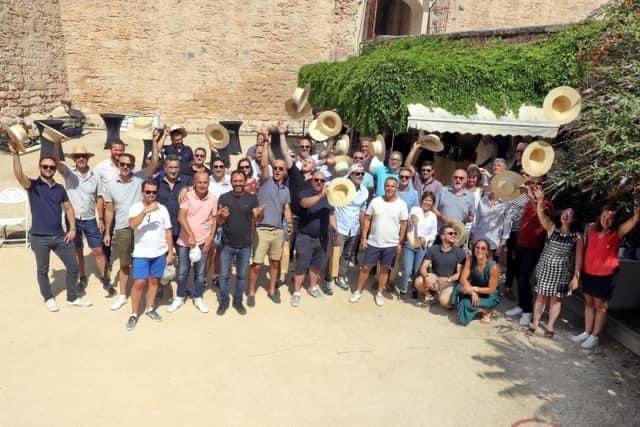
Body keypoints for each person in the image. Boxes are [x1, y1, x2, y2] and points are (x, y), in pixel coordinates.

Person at [10, 145, 91, 311]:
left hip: (59, 236)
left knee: (74, 266)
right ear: (40, 168)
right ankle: (48, 298)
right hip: (39, 237)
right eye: (45, 167)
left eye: (52, 167)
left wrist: (73, 228)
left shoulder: (60, 188)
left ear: (55, 169)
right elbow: (19, 175)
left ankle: (72, 297)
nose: (48, 169)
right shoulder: (33, 185)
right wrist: (16, 154)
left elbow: (68, 209)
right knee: (43, 270)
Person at [571, 203, 640, 349]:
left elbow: (635, 219)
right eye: (604, 216)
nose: (606, 220)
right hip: (588, 272)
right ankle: (587, 331)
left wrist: (636, 201)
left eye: (610, 218)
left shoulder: (618, 232)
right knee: (589, 303)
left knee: (600, 306)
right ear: (599, 216)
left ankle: (595, 336)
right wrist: (578, 272)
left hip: (606, 276)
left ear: (614, 220)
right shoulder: (590, 229)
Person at [52, 145, 111, 295]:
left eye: (83, 156)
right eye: (77, 156)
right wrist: (55, 143)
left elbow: (99, 198)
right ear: (73, 158)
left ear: (88, 158)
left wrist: (101, 218)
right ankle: (82, 277)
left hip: (90, 218)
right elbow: (56, 163)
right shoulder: (68, 173)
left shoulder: (95, 176)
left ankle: (105, 278)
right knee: (78, 250)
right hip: (73, 219)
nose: (81, 158)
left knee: (97, 249)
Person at [103, 151, 157, 311]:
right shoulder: (111, 185)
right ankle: (122, 296)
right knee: (125, 264)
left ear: (133, 166)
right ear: (118, 165)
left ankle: (147, 293)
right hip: (122, 228)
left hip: (142, 227)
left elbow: (154, 162)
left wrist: (155, 141)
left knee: (145, 261)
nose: (126, 167)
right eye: (122, 164)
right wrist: (107, 232)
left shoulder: (139, 179)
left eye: (129, 164)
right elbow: (109, 210)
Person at [526, 186, 583, 339]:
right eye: (566, 212)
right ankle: (535, 324)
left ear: (574, 219)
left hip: (562, 271)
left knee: (556, 299)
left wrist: (576, 277)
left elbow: (578, 258)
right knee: (540, 297)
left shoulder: (577, 236)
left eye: (570, 214)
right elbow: (540, 214)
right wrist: (539, 200)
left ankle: (550, 326)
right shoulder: (552, 228)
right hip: (545, 268)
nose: (566, 214)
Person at [247, 122, 293, 306]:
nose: (277, 170)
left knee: (275, 263)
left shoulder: (285, 190)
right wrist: (266, 142)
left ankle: (272, 290)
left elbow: (287, 209)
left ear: (285, 172)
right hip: (262, 229)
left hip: (278, 231)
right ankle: (251, 292)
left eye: (281, 169)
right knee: (257, 265)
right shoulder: (265, 180)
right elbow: (264, 163)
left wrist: (289, 225)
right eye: (276, 168)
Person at [350, 177, 408, 306]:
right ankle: (358, 291)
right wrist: (364, 238)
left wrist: (400, 242)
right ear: (384, 187)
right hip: (373, 242)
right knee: (366, 268)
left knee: (385, 270)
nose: (389, 188)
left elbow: (404, 224)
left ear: (397, 188)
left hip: (391, 244)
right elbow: (367, 219)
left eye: (393, 186)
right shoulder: (375, 201)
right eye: (387, 185)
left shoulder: (402, 205)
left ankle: (380, 293)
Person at [125, 180, 174, 330]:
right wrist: (146, 211)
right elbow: (132, 224)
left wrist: (170, 253)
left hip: (159, 253)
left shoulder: (163, 209)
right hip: (141, 253)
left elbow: (168, 231)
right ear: (142, 193)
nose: (151, 194)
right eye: (148, 192)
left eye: (154, 192)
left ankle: (150, 308)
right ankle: (134, 314)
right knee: (139, 283)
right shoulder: (135, 208)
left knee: (154, 281)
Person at [168, 171, 218, 314]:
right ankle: (179, 297)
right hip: (185, 241)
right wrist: (190, 234)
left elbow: (214, 220)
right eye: (200, 182)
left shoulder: (213, 198)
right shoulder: (187, 196)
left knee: (200, 273)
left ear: (208, 183)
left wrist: (210, 237)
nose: (202, 185)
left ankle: (198, 297)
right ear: (194, 183)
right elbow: (180, 217)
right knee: (183, 272)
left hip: (203, 241)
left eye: (205, 182)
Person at [216, 171, 263, 316]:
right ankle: (224, 302)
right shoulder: (224, 198)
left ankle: (237, 302)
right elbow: (218, 222)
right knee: (224, 276)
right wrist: (222, 217)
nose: (238, 184)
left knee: (242, 276)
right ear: (231, 182)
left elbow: (259, 219)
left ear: (245, 182)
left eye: (240, 181)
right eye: (235, 181)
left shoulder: (252, 198)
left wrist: (260, 214)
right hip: (227, 245)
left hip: (245, 245)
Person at [291, 171, 336, 307]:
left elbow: (331, 213)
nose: (319, 182)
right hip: (306, 237)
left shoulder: (329, 197)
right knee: (301, 265)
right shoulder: (305, 193)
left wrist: (335, 228)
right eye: (316, 180)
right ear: (311, 181)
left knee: (317, 264)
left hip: (323, 238)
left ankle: (313, 287)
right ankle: (296, 293)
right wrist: (320, 195)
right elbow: (305, 204)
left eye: (322, 181)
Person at [325, 163, 369, 293]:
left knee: (346, 255)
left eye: (362, 174)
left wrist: (361, 231)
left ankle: (340, 276)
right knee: (335, 255)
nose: (360, 176)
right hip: (340, 227)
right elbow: (328, 189)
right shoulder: (340, 184)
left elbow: (362, 211)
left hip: (354, 229)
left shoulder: (365, 191)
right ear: (351, 174)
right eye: (357, 173)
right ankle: (328, 279)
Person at [450, 239, 501, 325]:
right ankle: (475, 306)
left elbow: (491, 290)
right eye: (477, 247)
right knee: (458, 290)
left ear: (487, 252)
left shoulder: (493, 267)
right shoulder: (470, 259)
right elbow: (463, 278)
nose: (479, 250)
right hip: (474, 289)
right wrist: (472, 292)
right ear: (474, 249)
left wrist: (474, 289)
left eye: (483, 248)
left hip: (488, 294)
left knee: (465, 304)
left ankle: (486, 310)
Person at [414, 225, 466, 306]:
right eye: (450, 233)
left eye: (455, 233)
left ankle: (439, 297)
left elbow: (459, 274)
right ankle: (430, 296)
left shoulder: (460, 252)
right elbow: (423, 267)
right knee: (418, 281)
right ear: (442, 236)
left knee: (445, 302)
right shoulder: (433, 249)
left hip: (450, 282)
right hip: (435, 279)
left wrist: (448, 279)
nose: (454, 235)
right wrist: (426, 277)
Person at [401, 191, 438, 296]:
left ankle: (415, 289)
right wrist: (413, 219)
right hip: (410, 244)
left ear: (432, 203)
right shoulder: (415, 209)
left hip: (422, 247)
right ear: (422, 200)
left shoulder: (433, 216)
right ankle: (403, 289)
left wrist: (425, 238)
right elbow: (411, 217)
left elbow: (434, 233)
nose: (427, 202)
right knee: (407, 270)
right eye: (426, 200)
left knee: (417, 271)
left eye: (430, 201)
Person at [504, 174, 531, 298]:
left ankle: (508, 287)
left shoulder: (530, 195)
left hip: (517, 232)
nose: (523, 176)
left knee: (513, 260)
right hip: (504, 228)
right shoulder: (513, 189)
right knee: (503, 257)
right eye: (523, 173)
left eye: (527, 174)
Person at [206, 157, 232, 285]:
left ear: (224, 168)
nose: (218, 169)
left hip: (226, 220)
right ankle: (203, 276)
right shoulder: (207, 180)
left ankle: (216, 275)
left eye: (221, 166)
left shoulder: (230, 181)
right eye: (215, 166)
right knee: (209, 250)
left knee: (221, 250)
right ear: (212, 168)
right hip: (209, 221)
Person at [470, 187, 512, 255]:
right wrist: (473, 237)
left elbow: (507, 224)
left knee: (491, 264)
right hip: (479, 240)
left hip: (494, 243)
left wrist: (503, 242)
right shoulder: (483, 200)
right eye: (491, 183)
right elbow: (476, 219)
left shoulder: (506, 203)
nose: (493, 186)